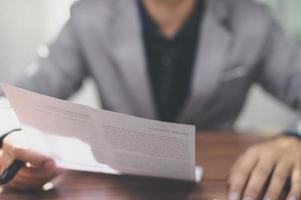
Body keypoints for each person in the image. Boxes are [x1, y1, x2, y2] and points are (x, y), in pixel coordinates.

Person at [0, 0, 301, 199]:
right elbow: (12, 99)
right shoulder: (89, 14)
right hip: (121, 187)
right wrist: (9, 136)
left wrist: (295, 139)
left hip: (220, 185)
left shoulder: (253, 19)